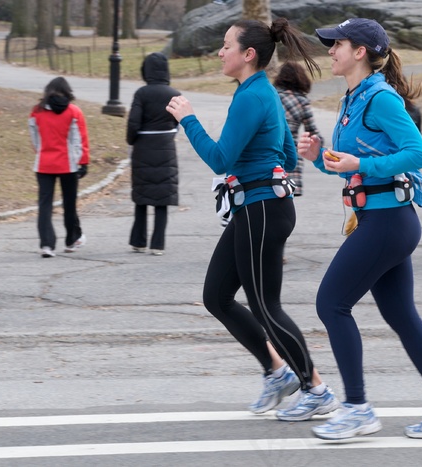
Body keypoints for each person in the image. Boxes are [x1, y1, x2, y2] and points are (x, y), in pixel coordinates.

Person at [297, 17, 422, 440]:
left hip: (389, 221)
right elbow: (350, 164)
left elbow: (418, 154)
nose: (330, 51)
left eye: (336, 44)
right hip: (379, 218)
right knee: (400, 314)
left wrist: (361, 164)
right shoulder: (352, 98)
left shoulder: (380, 97)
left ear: (359, 51)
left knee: (331, 304)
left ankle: (357, 408)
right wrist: (320, 156)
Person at [166, 17, 339, 421]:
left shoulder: (252, 96)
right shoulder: (261, 92)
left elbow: (221, 158)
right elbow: (288, 155)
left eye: (226, 45)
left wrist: (187, 119)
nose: (220, 52)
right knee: (216, 296)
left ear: (248, 54)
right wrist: (262, 171)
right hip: (261, 207)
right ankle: (278, 373)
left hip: (262, 209)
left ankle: (316, 389)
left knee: (265, 306)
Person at [126, 52, 182, 256]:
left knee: (142, 196)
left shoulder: (141, 93)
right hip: (166, 147)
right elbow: (179, 120)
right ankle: (158, 244)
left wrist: (131, 140)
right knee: (162, 198)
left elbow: (133, 122)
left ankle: (138, 241)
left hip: (143, 147)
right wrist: (170, 134)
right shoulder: (174, 94)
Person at [28, 77, 89, 258]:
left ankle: (47, 244)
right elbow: (80, 139)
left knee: (45, 205)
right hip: (68, 164)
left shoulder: (36, 112)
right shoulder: (73, 111)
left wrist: (41, 151)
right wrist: (82, 161)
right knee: (69, 204)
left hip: (44, 163)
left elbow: (34, 138)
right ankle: (72, 240)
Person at [273, 61, 324, 196]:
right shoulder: (302, 101)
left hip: (269, 152)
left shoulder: (272, 97)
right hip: (291, 153)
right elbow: (312, 131)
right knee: (287, 197)